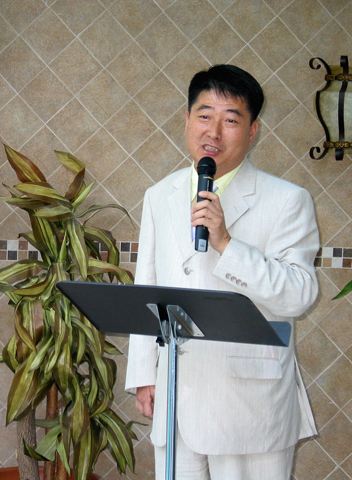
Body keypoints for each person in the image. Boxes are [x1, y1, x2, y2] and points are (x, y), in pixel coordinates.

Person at [125, 65, 318, 480]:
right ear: (187, 120)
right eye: (204, 115)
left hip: (250, 403)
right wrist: (144, 374)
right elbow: (148, 286)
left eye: (230, 120)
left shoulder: (288, 199)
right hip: (176, 395)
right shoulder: (159, 195)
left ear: (252, 131)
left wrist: (227, 244)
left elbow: (300, 293)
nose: (213, 131)